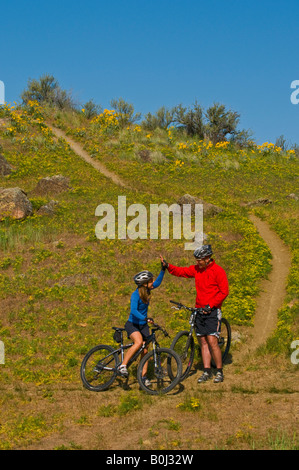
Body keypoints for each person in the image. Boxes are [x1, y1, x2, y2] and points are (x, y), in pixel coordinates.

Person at [160, 245, 229, 383]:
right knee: (203, 341)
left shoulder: (218, 271)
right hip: (199, 310)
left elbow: (224, 292)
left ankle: (219, 371)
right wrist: (168, 266)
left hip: (212, 311)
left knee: (212, 341)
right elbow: (182, 271)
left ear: (207, 258)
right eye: (196, 260)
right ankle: (207, 371)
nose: (197, 262)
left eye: (199, 260)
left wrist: (212, 305)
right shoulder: (197, 270)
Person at [118, 265, 166, 386]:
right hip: (133, 324)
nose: (153, 282)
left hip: (143, 325)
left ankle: (143, 378)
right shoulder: (135, 295)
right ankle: (123, 366)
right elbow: (133, 311)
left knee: (145, 351)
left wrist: (163, 269)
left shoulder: (147, 290)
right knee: (138, 342)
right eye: (150, 281)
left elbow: (158, 283)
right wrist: (145, 318)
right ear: (144, 283)